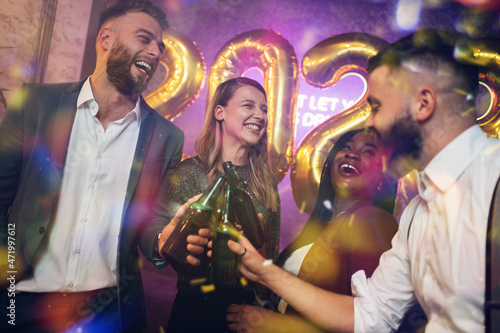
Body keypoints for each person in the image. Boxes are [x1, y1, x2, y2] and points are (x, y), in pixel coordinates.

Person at [227, 29, 500, 332]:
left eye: (377, 107)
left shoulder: (494, 176)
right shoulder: (415, 215)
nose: (370, 122)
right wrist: (263, 270)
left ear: (423, 104)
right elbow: (373, 316)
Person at [0, 1, 206, 332]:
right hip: (21, 306)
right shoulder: (36, 105)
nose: (155, 52)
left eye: (160, 46)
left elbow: (150, 222)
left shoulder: (166, 137)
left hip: (106, 313)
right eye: (144, 38)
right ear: (106, 38)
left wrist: (167, 238)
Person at [226, 128, 399, 332]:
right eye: (346, 147)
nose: (352, 154)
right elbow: (281, 299)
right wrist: (257, 248)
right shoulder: (323, 226)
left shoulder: (376, 221)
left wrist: (279, 326)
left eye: (368, 152)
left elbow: (368, 320)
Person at [151, 77, 281, 332]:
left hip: (245, 316)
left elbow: (271, 257)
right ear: (219, 112)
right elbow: (172, 254)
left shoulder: (266, 182)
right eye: (248, 105)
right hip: (193, 314)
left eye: (264, 109)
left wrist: (262, 305)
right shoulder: (189, 171)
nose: (259, 115)